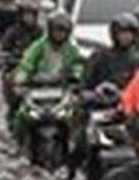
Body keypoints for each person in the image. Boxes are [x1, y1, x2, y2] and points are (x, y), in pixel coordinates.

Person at [12, 11, 85, 145]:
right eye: (57, 31)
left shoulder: (71, 48)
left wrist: (76, 78)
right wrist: (20, 80)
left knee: (76, 114)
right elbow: (26, 65)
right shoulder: (38, 46)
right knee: (21, 114)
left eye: (63, 31)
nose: (59, 35)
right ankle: (18, 143)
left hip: (61, 89)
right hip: (38, 88)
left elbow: (78, 65)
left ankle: (73, 144)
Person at [0, 0, 43, 130]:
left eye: (31, 15)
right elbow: (4, 49)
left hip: (36, 71)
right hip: (17, 69)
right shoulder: (13, 32)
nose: (28, 18)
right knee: (11, 83)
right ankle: (13, 112)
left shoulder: (40, 32)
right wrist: (9, 58)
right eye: (26, 15)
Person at [83, 13, 139, 91]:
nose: (126, 36)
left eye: (129, 33)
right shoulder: (99, 56)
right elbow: (86, 83)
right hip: (98, 98)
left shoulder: (138, 62)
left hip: (125, 100)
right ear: (115, 33)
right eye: (122, 32)